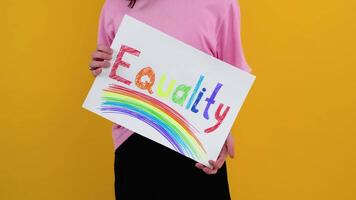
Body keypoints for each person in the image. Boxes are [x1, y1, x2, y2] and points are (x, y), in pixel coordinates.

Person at [88, 0, 251, 199]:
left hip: (196, 147)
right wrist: (101, 66)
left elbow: (233, 76)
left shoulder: (221, 4)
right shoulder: (115, 6)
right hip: (135, 150)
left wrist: (221, 131)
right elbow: (110, 77)